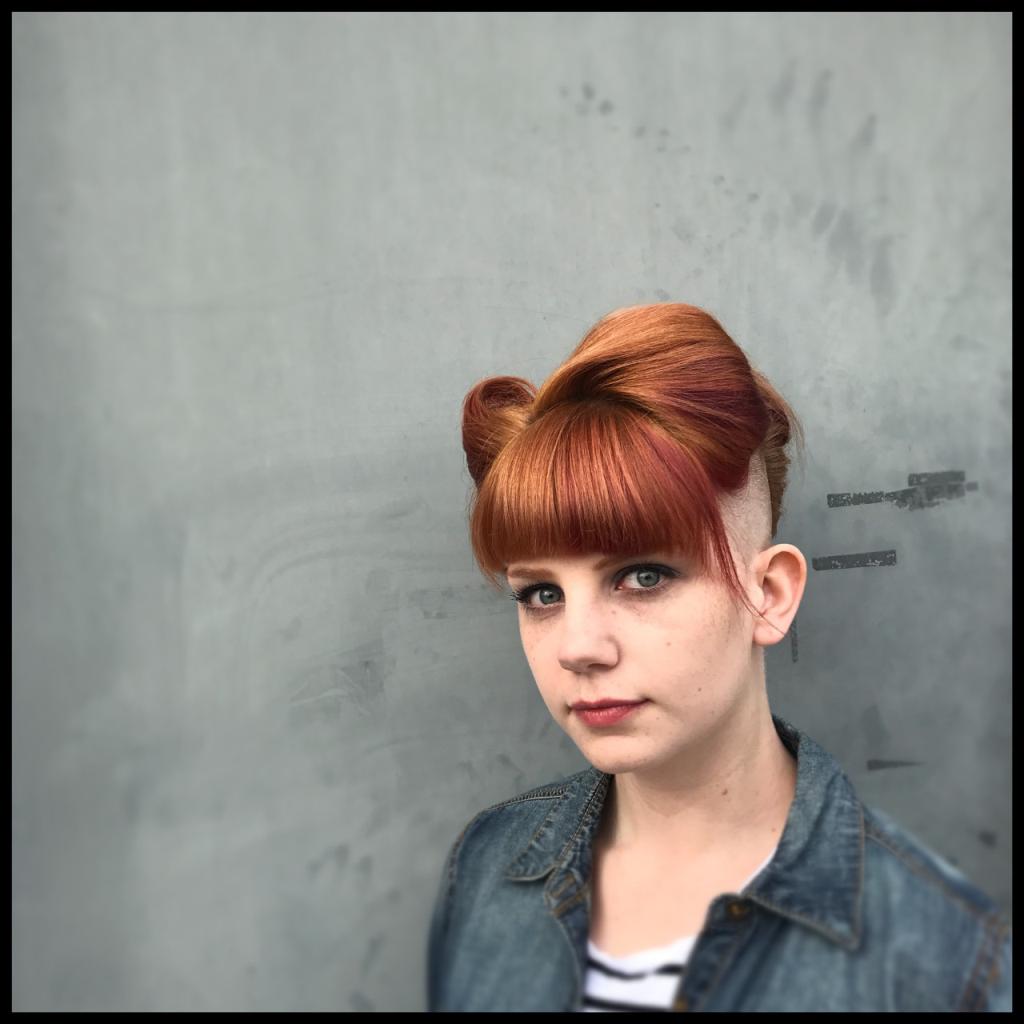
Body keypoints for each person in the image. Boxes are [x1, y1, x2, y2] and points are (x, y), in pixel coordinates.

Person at [426, 302, 1011, 1012]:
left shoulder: (946, 956)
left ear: (770, 594)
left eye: (643, 576)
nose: (578, 648)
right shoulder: (489, 863)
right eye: (541, 594)